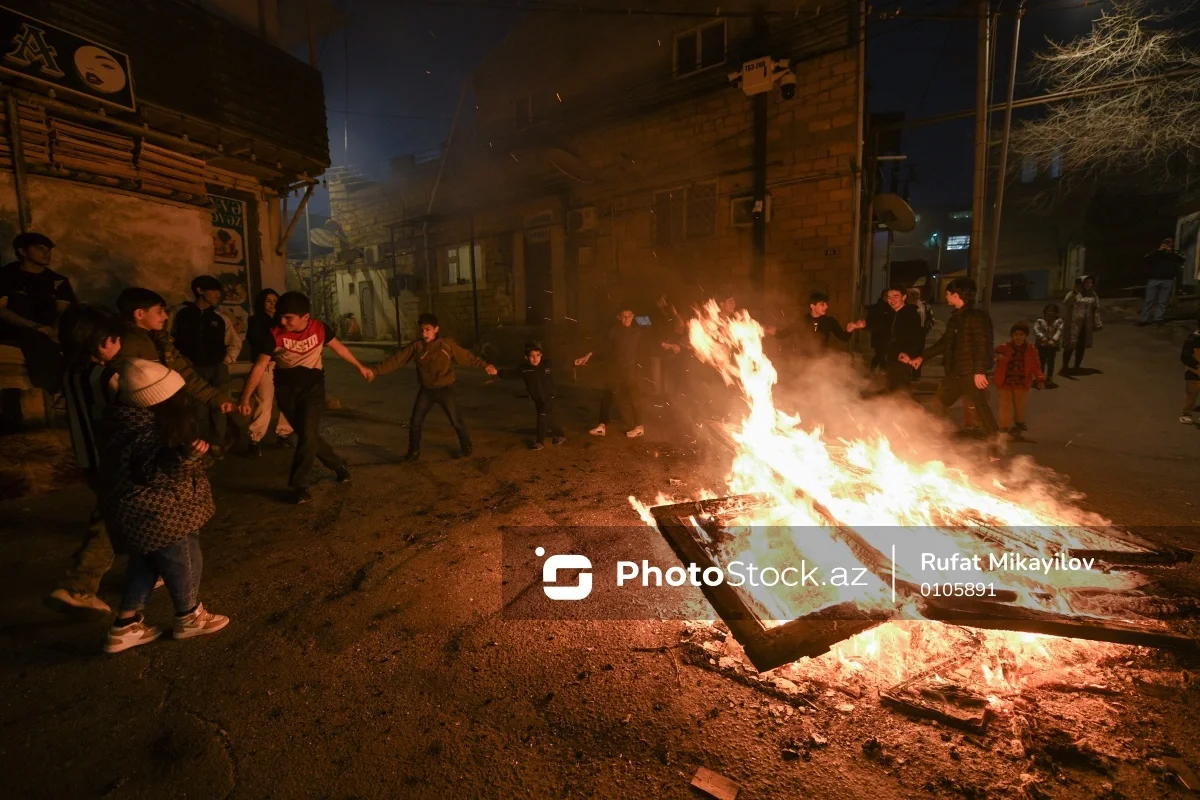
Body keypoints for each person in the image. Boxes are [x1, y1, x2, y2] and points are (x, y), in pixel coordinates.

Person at [100, 358, 229, 654]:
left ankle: (125, 625)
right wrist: (188, 457)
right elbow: (154, 472)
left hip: (139, 512)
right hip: (159, 511)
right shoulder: (142, 429)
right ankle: (189, 616)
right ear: (157, 399)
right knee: (183, 557)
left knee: (147, 562)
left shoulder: (123, 421)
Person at [239, 292, 375, 503]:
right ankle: (338, 465)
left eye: (288, 318)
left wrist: (360, 367)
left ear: (305, 317)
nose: (283, 322)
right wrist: (245, 398)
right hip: (286, 391)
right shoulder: (274, 335)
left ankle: (298, 486)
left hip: (313, 389)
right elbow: (258, 368)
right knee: (307, 435)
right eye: (281, 316)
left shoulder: (319, 328)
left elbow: (339, 348)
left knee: (308, 436)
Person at [43, 305, 124, 616]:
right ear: (102, 342)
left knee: (113, 515)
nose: (118, 345)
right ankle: (79, 587)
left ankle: (148, 569)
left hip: (88, 460)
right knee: (109, 523)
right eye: (115, 339)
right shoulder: (107, 376)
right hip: (113, 461)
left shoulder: (70, 374)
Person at [371, 312, 496, 461]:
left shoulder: (446, 344)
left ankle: (466, 447)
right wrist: (375, 371)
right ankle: (414, 452)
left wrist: (485, 365)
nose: (424, 333)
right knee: (415, 422)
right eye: (422, 330)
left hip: (446, 389)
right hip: (427, 390)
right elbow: (396, 360)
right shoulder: (417, 347)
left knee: (455, 420)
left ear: (436, 329)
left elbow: (466, 357)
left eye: (428, 329)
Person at [115, 287, 234, 422]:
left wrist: (215, 398)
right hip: (148, 418)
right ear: (139, 314)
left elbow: (184, 373)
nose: (165, 316)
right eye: (159, 312)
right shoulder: (124, 345)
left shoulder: (160, 340)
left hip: (170, 413)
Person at [905, 277, 999, 441]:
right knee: (936, 406)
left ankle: (995, 449)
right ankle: (927, 440)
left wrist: (980, 371)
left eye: (948, 293)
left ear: (956, 295)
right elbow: (944, 343)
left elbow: (984, 344)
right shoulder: (955, 318)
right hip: (954, 373)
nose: (946, 297)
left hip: (970, 373)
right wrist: (922, 357)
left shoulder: (976, 317)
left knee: (980, 409)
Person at [0, 232, 75, 395]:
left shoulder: (57, 280)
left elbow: (63, 310)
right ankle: (50, 391)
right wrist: (35, 326)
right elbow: (1, 310)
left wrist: (55, 329)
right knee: (37, 340)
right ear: (22, 251)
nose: (46, 253)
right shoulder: (6, 276)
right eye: (40, 248)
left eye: (48, 249)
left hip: (49, 330)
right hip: (17, 329)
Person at [172, 276, 240, 454]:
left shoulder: (219, 318)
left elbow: (234, 342)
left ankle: (217, 442)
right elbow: (168, 340)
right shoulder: (180, 314)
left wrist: (225, 361)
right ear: (199, 290)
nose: (218, 294)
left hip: (218, 369)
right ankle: (202, 443)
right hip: (192, 369)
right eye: (213, 290)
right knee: (198, 406)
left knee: (221, 405)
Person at [575, 306, 646, 438]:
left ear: (633, 316)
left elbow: (651, 325)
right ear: (618, 317)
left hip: (631, 371)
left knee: (634, 397)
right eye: (624, 316)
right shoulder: (614, 331)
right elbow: (603, 346)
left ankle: (639, 427)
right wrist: (588, 355)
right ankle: (602, 426)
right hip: (616, 370)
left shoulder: (638, 330)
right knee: (607, 395)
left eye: (630, 316)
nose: (627, 319)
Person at [244, 288, 293, 456]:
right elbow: (257, 342)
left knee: (287, 400)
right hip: (266, 364)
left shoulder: (284, 320)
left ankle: (284, 433)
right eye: (268, 301)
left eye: (275, 301)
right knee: (264, 401)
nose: (272, 304)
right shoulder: (256, 320)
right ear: (262, 303)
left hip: (285, 365)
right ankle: (255, 439)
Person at [497, 342, 566, 450]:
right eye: (532, 356)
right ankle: (560, 434)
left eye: (538, 355)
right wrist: (497, 372)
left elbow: (562, 365)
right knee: (547, 419)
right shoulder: (524, 369)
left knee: (542, 417)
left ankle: (539, 442)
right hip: (537, 399)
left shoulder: (547, 364)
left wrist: (574, 362)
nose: (535, 358)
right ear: (526, 357)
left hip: (549, 398)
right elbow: (511, 374)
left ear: (541, 355)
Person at [765, 291, 866, 351]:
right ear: (812, 306)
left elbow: (843, 338)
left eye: (826, 304)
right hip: (803, 363)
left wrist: (849, 330)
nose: (826, 306)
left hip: (823, 362)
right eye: (822, 304)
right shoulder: (802, 321)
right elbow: (783, 333)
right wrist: (770, 331)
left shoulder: (830, 321)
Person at [993, 322, 1045, 435]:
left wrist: (1040, 378)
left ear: (1025, 336)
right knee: (1005, 405)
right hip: (1005, 381)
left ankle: (1019, 422)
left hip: (1021, 381)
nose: (1018, 337)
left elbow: (1036, 365)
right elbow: (992, 354)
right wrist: (997, 357)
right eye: (1016, 334)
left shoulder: (1031, 349)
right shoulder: (1003, 347)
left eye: (1021, 334)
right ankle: (1004, 426)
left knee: (1020, 404)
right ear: (1012, 335)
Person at [875, 286, 926, 393]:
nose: (891, 300)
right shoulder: (889, 314)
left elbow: (918, 338)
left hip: (902, 359)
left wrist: (909, 353)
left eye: (895, 297)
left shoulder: (912, 314)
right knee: (888, 388)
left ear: (904, 297)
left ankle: (906, 408)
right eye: (889, 297)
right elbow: (880, 329)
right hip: (888, 358)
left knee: (900, 390)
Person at [1138, 237, 1184, 327]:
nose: (1167, 244)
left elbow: (1182, 259)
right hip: (1153, 280)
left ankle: (1158, 319)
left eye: (1169, 243)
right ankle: (1144, 320)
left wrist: (1171, 252)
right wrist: (1159, 250)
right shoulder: (1156, 252)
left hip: (1168, 280)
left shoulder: (1175, 253)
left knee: (1163, 301)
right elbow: (1146, 258)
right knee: (1148, 301)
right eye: (1165, 243)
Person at [1061, 275, 1102, 374]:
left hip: (1086, 325)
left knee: (1081, 346)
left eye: (1091, 283)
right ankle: (1065, 367)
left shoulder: (1092, 295)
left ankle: (1076, 366)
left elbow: (1096, 308)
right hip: (1073, 325)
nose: (1089, 285)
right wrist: (1075, 292)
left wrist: (1097, 322)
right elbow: (1066, 303)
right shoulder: (1073, 293)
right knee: (1069, 346)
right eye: (1086, 283)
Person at [1033, 304, 1064, 388]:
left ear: (1056, 312)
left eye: (1052, 311)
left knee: (1051, 362)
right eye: (1048, 311)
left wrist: (1053, 340)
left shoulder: (1059, 321)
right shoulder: (1040, 320)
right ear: (1045, 312)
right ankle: (1040, 377)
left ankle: (1049, 377)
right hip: (1041, 345)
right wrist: (1042, 337)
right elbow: (1036, 329)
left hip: (1052, 345)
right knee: (1040, 361)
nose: (1050, 313)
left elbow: (1060, 331)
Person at [865, 289, 891, 372]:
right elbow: (870, 321)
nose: (889, 298)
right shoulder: (876, 308)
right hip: (878, 336)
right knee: (880, 355)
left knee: (883, 355)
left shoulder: (892, 308)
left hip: (888, 336)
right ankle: (875, 372)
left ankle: (880, 372)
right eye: (887, 296)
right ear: (883, 296)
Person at [1182, 316, 1200, 425]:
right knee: (1192, 394)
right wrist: (1196, 365)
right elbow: (1185, 356)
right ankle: (1187, 414)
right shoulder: (1194, 338)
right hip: (1194, 371)